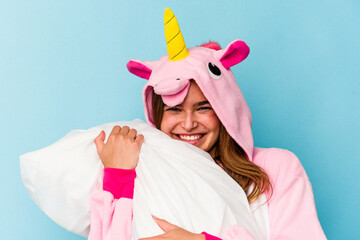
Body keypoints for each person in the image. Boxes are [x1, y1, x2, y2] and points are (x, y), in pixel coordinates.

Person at [89, 8, 326, 240]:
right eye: (174, 109)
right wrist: (118, 176)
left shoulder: (275, 169)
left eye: (203, 107)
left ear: (225, 108)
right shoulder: (140, 173)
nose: (189, 124)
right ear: (157, 114)